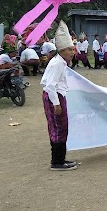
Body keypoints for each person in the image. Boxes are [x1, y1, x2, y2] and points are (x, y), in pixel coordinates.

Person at [41, 21, 77, 171]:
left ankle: (60, 158)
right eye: (70, 49)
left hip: (57, 95)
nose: (72, 52)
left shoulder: (61, 62)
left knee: (61, 127)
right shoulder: (57, 63)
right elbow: (50, 85)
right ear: (62, 50)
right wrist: (56, 103)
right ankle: (57, 162)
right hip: (53, 96)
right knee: (58, 128)